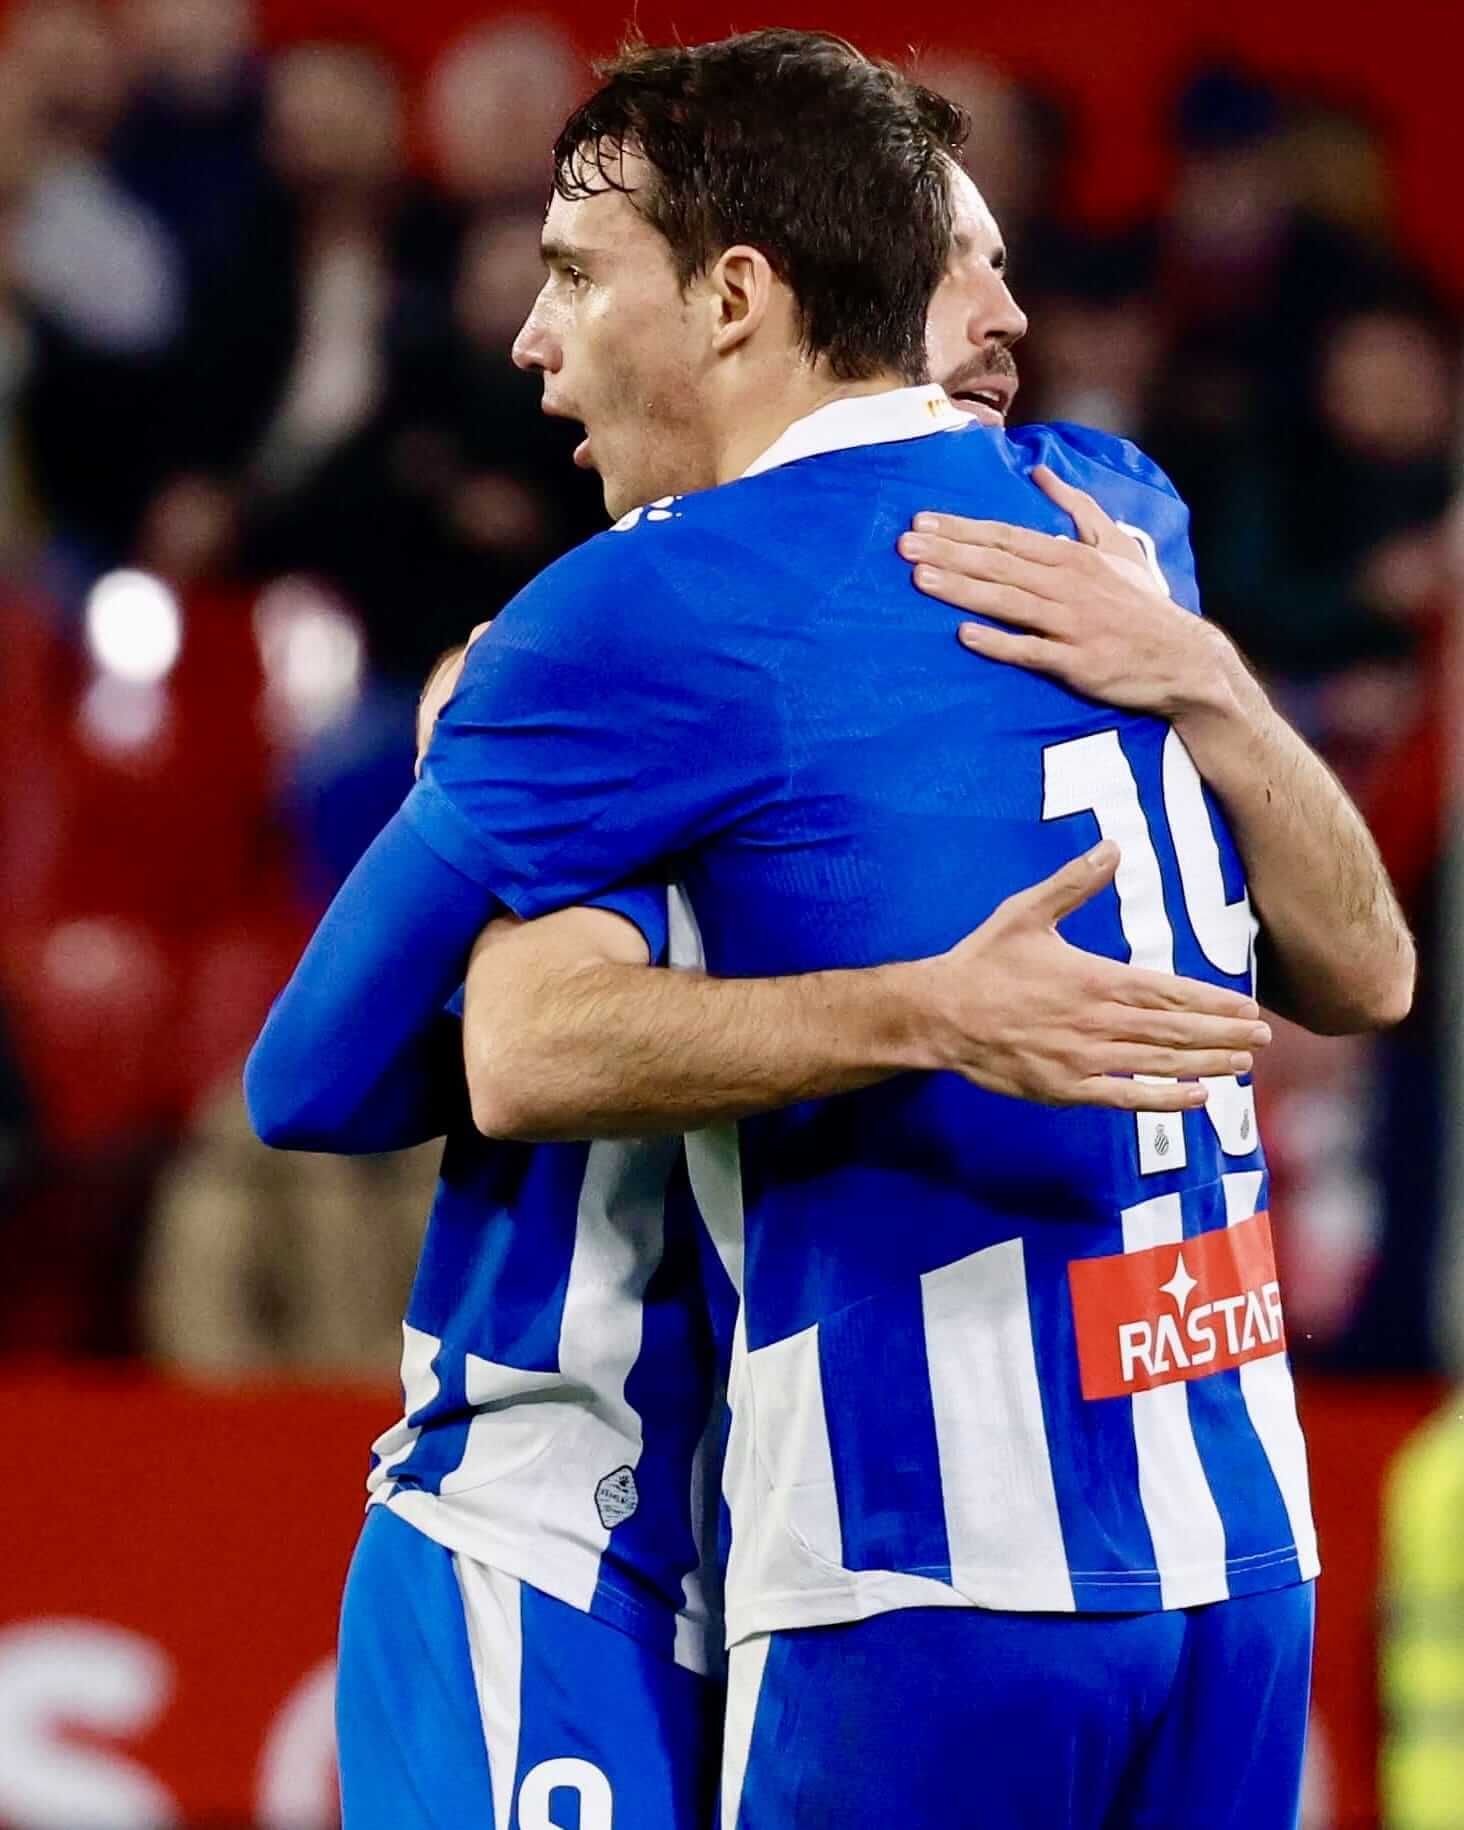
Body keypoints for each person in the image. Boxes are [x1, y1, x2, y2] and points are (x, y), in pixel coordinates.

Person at [248, 32, 1412, 1830]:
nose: (530, 338)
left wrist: (480, 788)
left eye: (572, 276)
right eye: (975, 262)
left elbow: (318, 1075)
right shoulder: (1120, 516)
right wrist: (1215, 694)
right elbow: (1370, 975)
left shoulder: (638, 615)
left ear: (734, 298)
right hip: (1236, 1537)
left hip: (913, 1555)